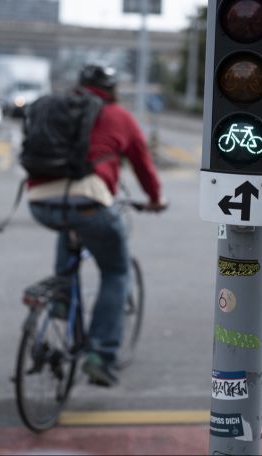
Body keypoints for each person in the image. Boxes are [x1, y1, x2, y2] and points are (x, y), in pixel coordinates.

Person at [27, 64, 165, 387]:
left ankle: (61, 297)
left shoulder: (59, 109)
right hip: (90, 202)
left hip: (40, 201)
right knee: (117, 273)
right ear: (112, 88)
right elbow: (144, 165)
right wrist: (155, 199)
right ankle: (100, 355)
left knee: (69, 225)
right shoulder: (119, 116)